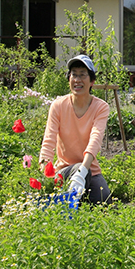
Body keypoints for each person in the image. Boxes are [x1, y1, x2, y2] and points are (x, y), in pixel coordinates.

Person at [38, 54, 112, 204]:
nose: (77, 80)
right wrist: (44, 172)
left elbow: (95, 141)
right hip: (64, 170)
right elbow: (49, 140)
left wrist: (82, 172)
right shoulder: (58, 106)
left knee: (104, 201)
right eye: (74, 75)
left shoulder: (101, 107)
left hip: (90, 169)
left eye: (83, 75)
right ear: (69, 79)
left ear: (92, 81)